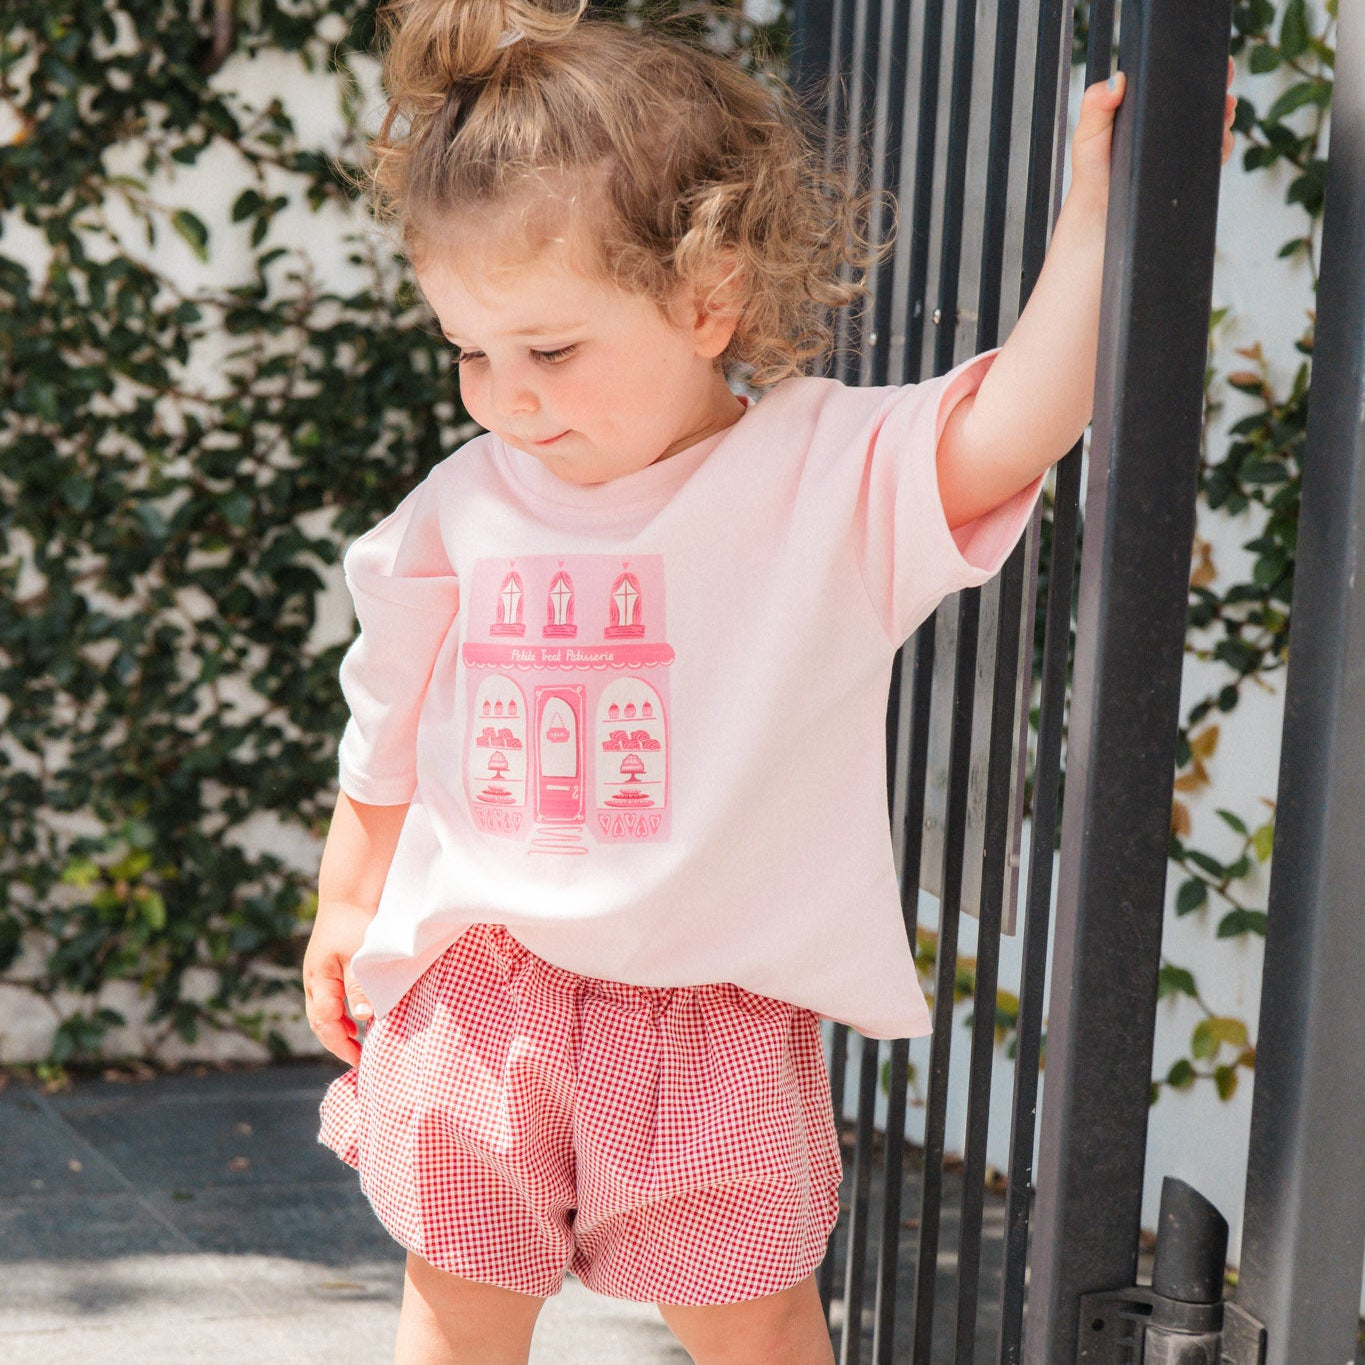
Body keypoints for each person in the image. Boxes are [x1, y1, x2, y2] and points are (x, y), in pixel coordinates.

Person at [302, 3, 1235, 1361]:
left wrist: (1108, 215)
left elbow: (1020, 417)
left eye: (549, 350)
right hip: (483, 990)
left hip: (716, 1018)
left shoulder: (824, 477)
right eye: (470, 352)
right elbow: (385, 710)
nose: (506, 397)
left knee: (758, 1329)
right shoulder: (461, 501)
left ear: (708, 299)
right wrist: (347, 899)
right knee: (454, 1308)